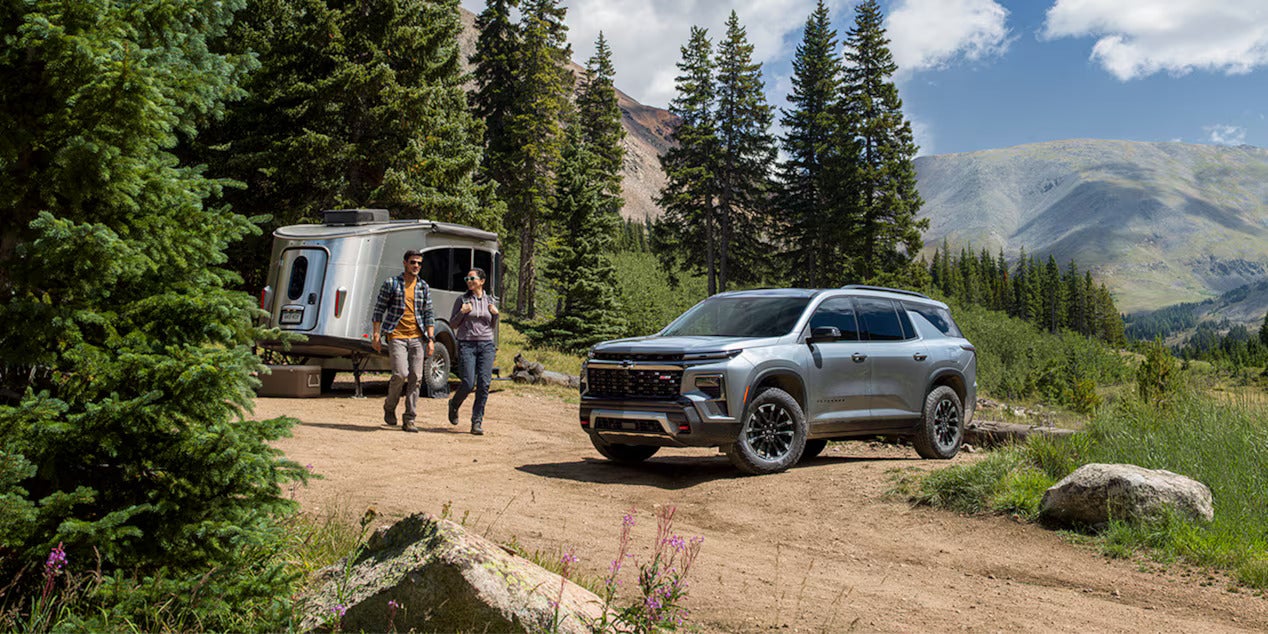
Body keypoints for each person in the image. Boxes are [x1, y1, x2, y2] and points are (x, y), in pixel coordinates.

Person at [371, 250, 434, 432]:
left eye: (419, 264)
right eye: (413, 262)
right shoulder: (392, 283)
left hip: (417, 337)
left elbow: (429, 314)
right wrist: (376, 334)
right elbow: (379, 309)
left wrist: (430, 339)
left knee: (417, 377)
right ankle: (389, 407)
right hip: (396, 335)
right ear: (405, 263)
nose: (416, 266)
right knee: (400, 374)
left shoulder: (423, 287)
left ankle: (409, 419)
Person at [448, 267, 498, 435]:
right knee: (468, 383)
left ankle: (476, 422)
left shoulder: (490, 300)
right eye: (467, 279)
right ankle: (454, 404)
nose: (469, 282)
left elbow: (491, 325)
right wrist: (462, 313)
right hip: (467, 345)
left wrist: (496, 315)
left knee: (484, 384)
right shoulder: (462, 300)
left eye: (472, 278)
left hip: (486, 345)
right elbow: (453, 325)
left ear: (482, 281)